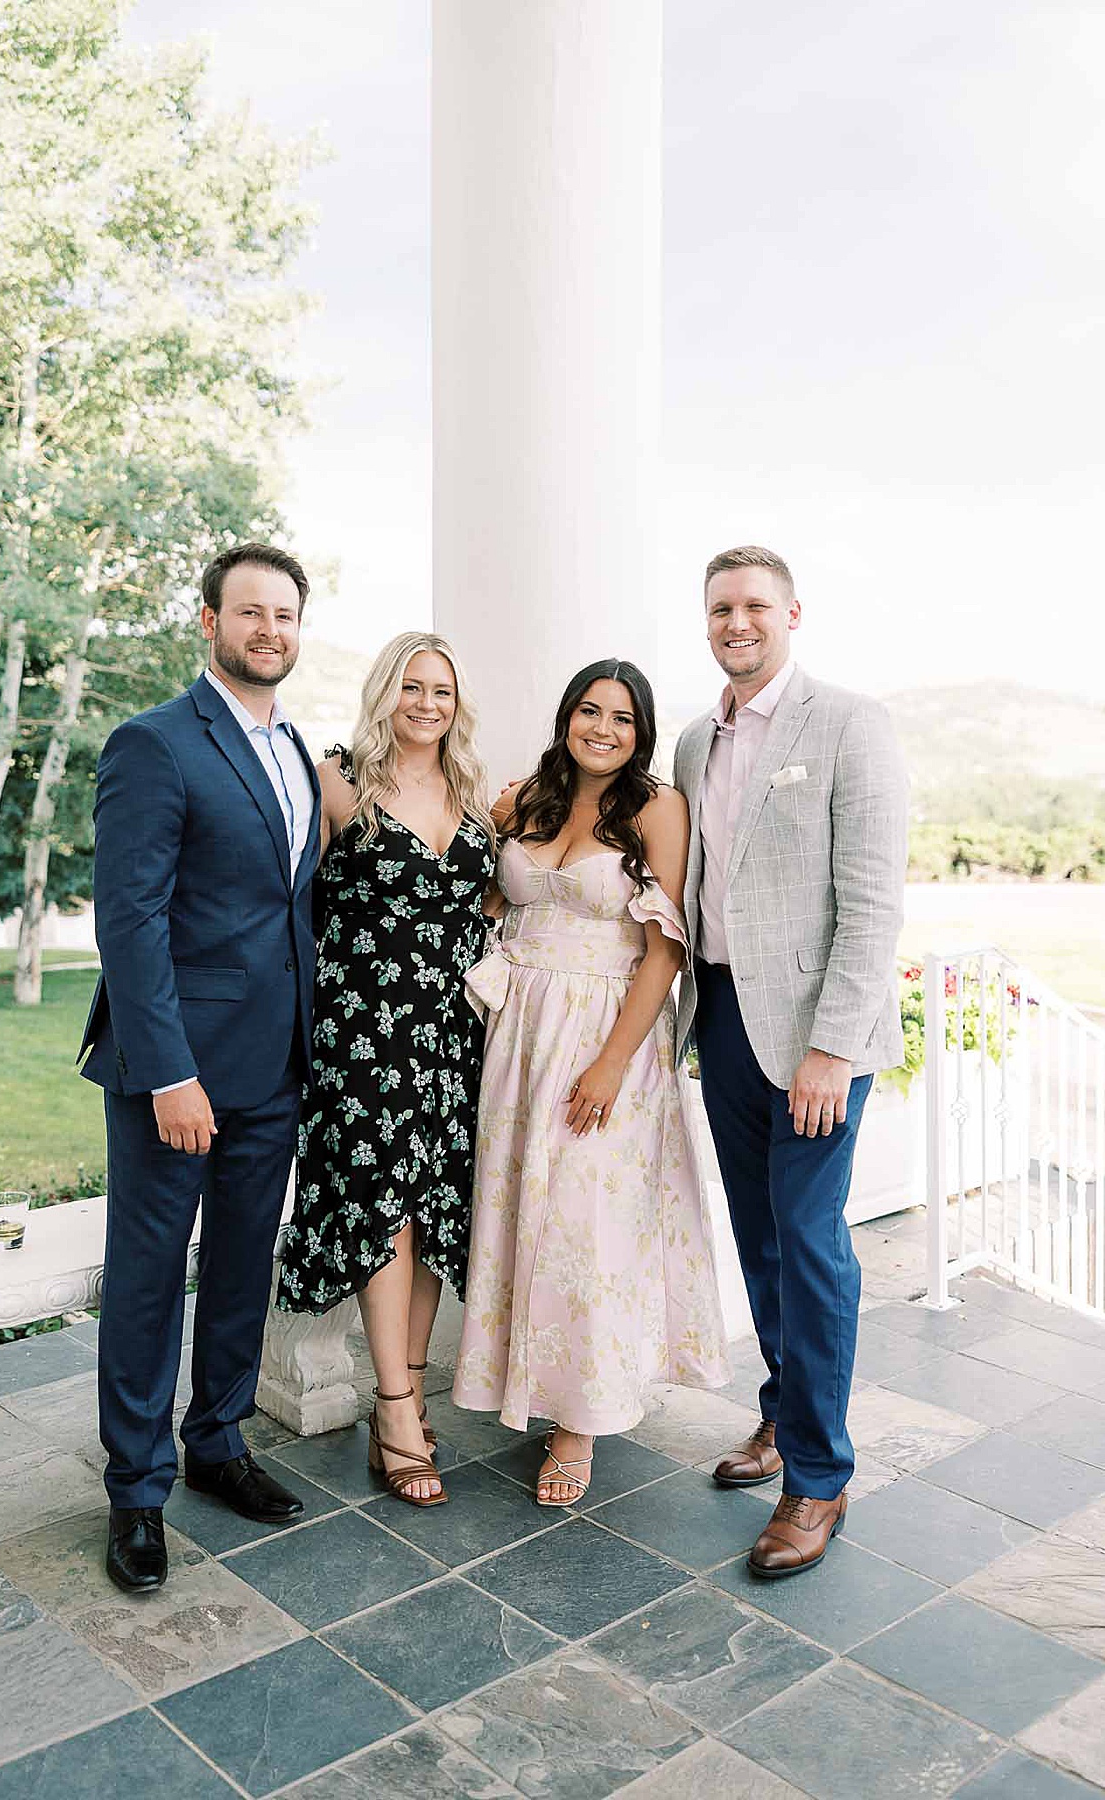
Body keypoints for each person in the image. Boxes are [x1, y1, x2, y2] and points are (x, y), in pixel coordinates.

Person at [79, 542, 321, 1592]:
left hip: (275, 1062)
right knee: (147, 1278)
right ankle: (137, 1490)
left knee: (236, 1267)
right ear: (211, 623)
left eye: (286, 616)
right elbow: (129, 923)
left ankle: (216, 1441)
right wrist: (171, 1072)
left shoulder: (301, 751)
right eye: (251, 612)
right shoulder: (154, 743)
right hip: (175, 1071)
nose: (270, 630)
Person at [674, 544, 908, 1578]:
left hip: (818, 1038)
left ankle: (818, 1477)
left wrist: (830, 1050)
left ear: (792, 614)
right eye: (721, 607)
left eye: (755, 606)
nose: (737, 622)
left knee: (811, 1245)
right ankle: (781, 1413)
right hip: (722, 1019)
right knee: (762, 1244)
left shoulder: (851, 723)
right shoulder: (693, 740)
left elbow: (872, 907)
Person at [453, 659, 730, 1504]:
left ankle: (580, 1421)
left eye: (620, 717)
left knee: (586, 1224)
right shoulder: (526, 798)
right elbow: (494, 898)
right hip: (521, 1034)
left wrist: (611, 1061)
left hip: (607, 1032)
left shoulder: (657, 809)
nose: (601, 728)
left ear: (641, 731)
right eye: (587, 711)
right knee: (516, 1205)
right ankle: (522, 1381)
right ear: (566, 717)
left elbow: (666, 946)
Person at [276, 633, 495, 1507]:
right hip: (365, 1030)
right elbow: (289, 901)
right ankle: (399, 1410)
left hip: (456, 1032)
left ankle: (396, 1393)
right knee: (386, 1209)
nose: (427, 702)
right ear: (385, 692)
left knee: (441, 1209)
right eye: (411, 685)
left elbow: (497, 900)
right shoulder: (337, 782)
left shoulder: (480, 792)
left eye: (441, 688)